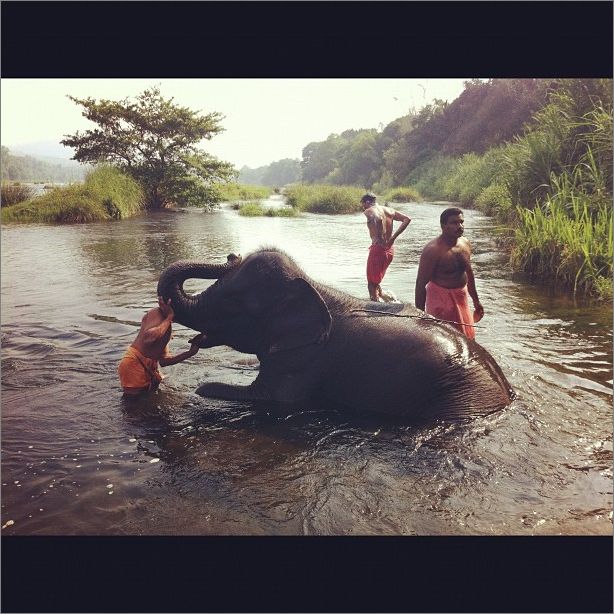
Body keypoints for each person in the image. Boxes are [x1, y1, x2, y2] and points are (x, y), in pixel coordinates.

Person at [414, 207, 484, 339]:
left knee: (468, 338)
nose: (460, 226)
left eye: (461, 222)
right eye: (454, 223)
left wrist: (476, 301)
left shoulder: (465, 243)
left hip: (461, 297)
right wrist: (421, 316)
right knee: (443, 340)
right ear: (443, 226)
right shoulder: (433, 250)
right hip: (440, 300)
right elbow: (420, 284)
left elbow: (469, 273)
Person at [118, 296, 204, 397]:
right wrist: (169, 317)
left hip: (149, 367)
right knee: (134, 405)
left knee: (152, 401)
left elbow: (164, 361)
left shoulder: (167, 325)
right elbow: (149, 338)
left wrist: (190, 352)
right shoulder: (156, 314)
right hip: (134, 364)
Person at [362, 192, 411, 302]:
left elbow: (378, 218)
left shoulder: (369, 210)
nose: (363, 207)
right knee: (376, 281)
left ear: (367, 202)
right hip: (389, 250)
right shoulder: (389, 210)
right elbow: (407, 219)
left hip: (378, 249)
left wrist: (380, 236)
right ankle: (385, 300)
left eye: (363, 204)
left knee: (371, 284)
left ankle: (375, 309)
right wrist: (393, 238)